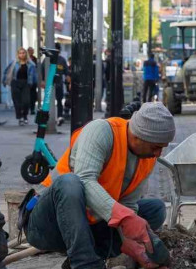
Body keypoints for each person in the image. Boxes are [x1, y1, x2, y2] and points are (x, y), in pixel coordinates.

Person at [28, 103, 175, 269]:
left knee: (155, 209)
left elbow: (128, 204)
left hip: (88, 225)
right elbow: (84, 179)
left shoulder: (147, 158)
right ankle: (86, 263)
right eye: (155, 147)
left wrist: (129, 241)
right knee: (70, 182)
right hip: (47, 224)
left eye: (162, 148)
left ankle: (84, 256)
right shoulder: (101, 131)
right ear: (138, 135)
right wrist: (126, 218)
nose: (158, 154)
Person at [3, 48, 37, 126]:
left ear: (26, 54)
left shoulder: (31, 64)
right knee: (17, 101)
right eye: (20, 53)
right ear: (18, 54)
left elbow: (34, 75)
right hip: (15, 82)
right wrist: (4, 81)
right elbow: (6, 71)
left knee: (26, 101)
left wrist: (36, 83)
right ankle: (20, 117)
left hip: (26, 83)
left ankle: (25, 115)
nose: (22, 55)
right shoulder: (13, 63)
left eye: (23, 53)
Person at [40, 43, 70, 126]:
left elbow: (66, 72)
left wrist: (68, 78)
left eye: (57, 50)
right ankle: (47, 118)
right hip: (49, 84)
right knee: (47, 101)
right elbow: (41, 70)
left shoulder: (62, 60)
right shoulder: (46, 60)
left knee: (59, 101)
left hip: (58, 84)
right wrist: (42, 81)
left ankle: (59, 116)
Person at [27, 47, 39, 115]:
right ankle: (27, 107)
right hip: (27, 80)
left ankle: (32, 108)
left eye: (32, 51)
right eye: (30, 51)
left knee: (33, 95)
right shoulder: (25, 59)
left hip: (34, 81)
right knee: (27, 95)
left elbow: (37, 69)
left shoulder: (35, 59)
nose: (31, 52)